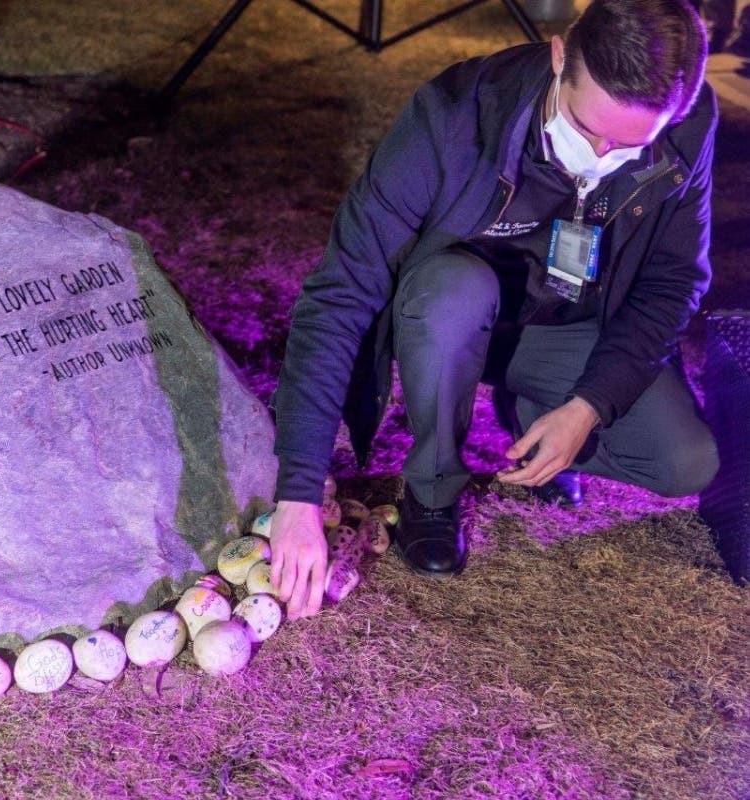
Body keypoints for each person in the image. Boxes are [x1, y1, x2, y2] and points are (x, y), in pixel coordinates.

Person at [268, 0, 720, 620]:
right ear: (561, 56)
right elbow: (341, 291)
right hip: (447, 313)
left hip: (568, 323)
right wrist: (296, 493)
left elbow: (672, 283)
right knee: (454, 293)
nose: (602, 155)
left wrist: (587, 408)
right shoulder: (453, 116)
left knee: (686, 462)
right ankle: (433, 488)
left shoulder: (689, 124)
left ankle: (535, 411)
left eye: (628, 146)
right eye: (589, 131)